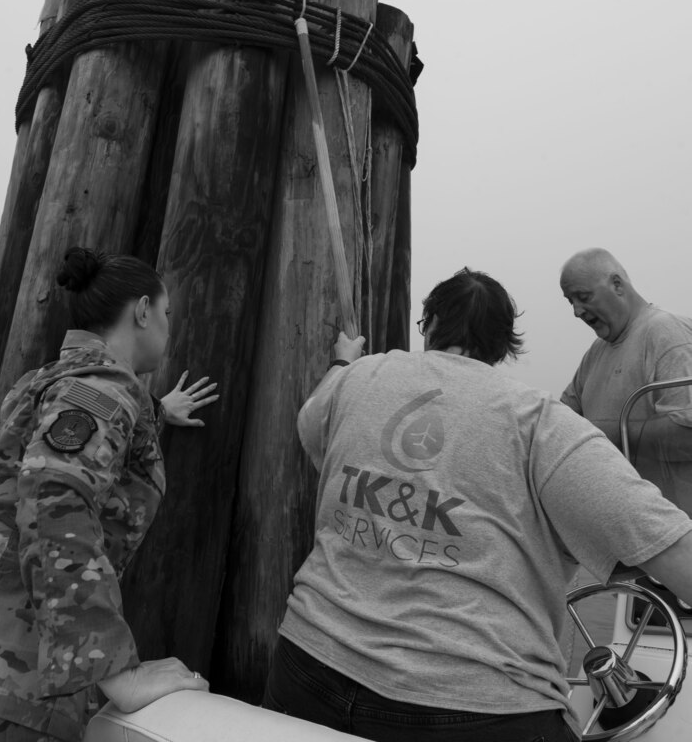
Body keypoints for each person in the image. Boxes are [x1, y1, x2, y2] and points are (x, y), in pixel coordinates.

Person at [263, 267, 692, 742]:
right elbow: (674, 552)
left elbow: (311, 427)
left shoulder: (362, 376)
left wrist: (344, 364)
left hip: (307, 666)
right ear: (506, 344)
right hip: (472, 707)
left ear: (428, 323)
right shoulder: (540, 424)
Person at [0, 247, 219, 742]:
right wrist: (110, 666)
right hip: (14, 688)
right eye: (167, 314)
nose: (169, 329)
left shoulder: (45, 381)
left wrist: (150, 411)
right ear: (143, 311)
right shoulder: (103, 390)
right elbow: (52, 497)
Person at [559, 247, 692, 512]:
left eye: (583, 297)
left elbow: (686, 436)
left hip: (677, 536)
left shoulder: (667, 333)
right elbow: (560, 422)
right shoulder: (595, 354)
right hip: (624, 536)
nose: (575, 310)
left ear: (617, 285)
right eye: (569, 300)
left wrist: (604, 436)